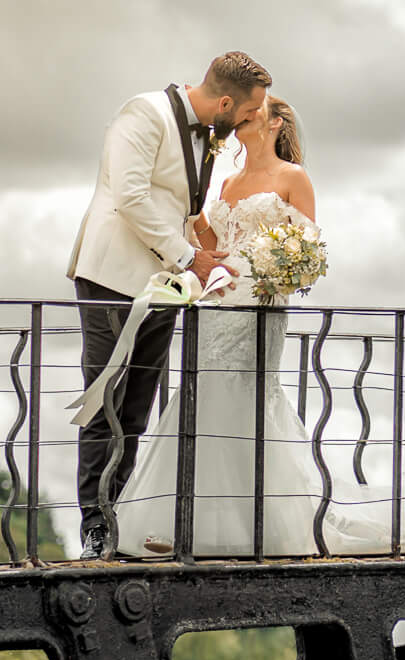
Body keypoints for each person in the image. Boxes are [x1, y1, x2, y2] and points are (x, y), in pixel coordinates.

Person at [108, 98, 405, 557]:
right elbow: (211, 242)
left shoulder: (293, 178)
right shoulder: (226, 181)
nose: (243, 118)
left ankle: (251, 524)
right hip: (216, 306)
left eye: (253, 113)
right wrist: (188, 220)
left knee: (243, 397)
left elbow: (306, 248)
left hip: (261, 303)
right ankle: (187, 522)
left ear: (274, 124)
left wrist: (276, 271)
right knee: (204, 396)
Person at [66, 52, 270, 558]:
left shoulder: (208, 133)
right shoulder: (142, 113)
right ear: (225, 102)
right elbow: (131, 197)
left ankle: (121, 523)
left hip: (165, 287)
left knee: (135, 409)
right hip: (112, 279)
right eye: (246, 113)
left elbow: (183, 209)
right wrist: (190, 259)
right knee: (104, 403)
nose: (248, 122)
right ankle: (95, 528)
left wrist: (214, 264)